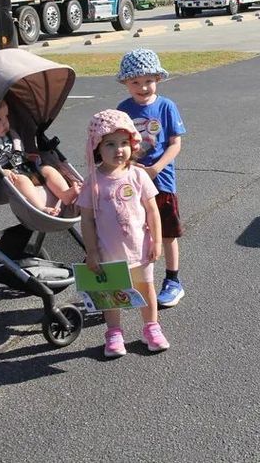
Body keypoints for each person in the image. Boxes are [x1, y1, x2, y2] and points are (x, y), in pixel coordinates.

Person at [78, 109, 168, 357]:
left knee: (146, 287)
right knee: (112, 295)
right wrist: (92, 252)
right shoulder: (93, 182)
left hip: (140, 248)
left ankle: (152, 327)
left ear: (133, 145)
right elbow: (86, 220)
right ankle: (114, 333)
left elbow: (152, 211)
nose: (119, 150)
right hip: (109, 253)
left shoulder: (138, 175)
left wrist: (157, 240)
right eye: (110, 144)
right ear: (97, 147)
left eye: (124, 143)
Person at [115, 49, 188, 309]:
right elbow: (117, 145)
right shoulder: (123, 110)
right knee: (132, 230)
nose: (143, 87)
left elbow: (175, 144)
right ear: (125, 83)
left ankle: (173, 281)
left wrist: (156, 167)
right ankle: (135, 281)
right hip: (132, 181)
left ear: (157, 78)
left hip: (161, 180)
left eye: (148, 80)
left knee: (167, 233)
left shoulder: (166, 106)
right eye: (135, 82)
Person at [0, 98, 81, 215]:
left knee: (48, 170)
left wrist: (27, 155)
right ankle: (42, 208)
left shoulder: (11, 135)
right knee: (22, 180)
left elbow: (19, 151)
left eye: (6, 117)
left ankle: (65, 194)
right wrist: (3, 172)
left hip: (27, 166)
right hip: (12, 175)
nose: (5, 122)